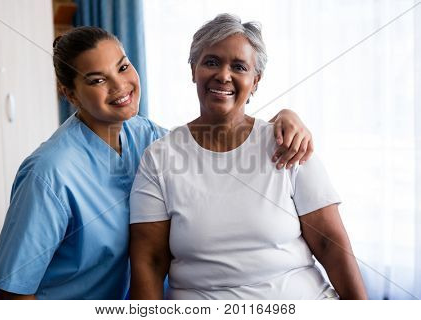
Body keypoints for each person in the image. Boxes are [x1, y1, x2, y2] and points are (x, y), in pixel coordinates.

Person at [0, 26, 313, 299]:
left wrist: (281, 120)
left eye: (123, 66)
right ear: (70, 93)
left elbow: (212, 140)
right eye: (97, 80)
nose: (119, 86)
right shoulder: (49, 174)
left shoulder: (145, 135)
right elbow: (9, 295)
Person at [129, 14, 368, 300]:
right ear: (194, 69)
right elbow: (150, 261)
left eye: (239, 67)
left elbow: (331, 245)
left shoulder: (288, 143)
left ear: (255, 81)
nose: (223, 75)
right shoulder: (159, 158)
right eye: (211, 62)